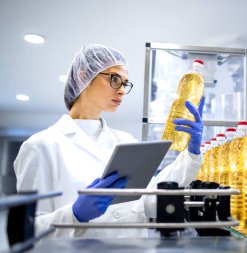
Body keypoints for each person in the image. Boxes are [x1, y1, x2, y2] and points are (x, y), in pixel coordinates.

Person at [13, 44, 205, 238]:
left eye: (125, 83)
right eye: (114, 79)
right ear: (83, 76)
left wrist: (191, 154)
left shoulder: (126, 141)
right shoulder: (40, 146)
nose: (122, 90)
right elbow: (27, 230)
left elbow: (152, 198)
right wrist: (74, 215)